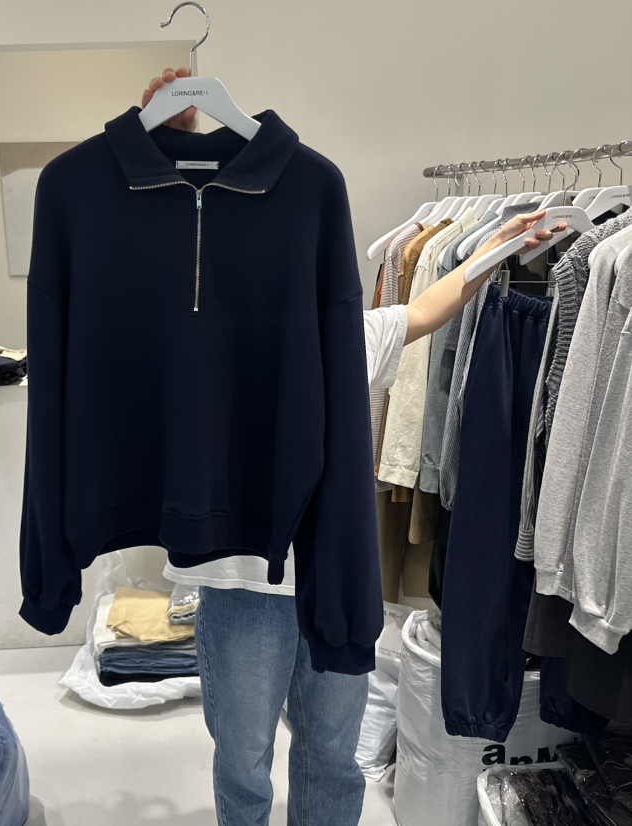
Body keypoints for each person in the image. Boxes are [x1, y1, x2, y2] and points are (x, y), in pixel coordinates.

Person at [143, 67, 564, 825]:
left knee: (333, 755)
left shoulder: (342, 338)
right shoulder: (199, 337)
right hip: (240, 589)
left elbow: (424, 309)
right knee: (243, 759)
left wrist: (488, 253)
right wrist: (166, 150)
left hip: (334, 575)